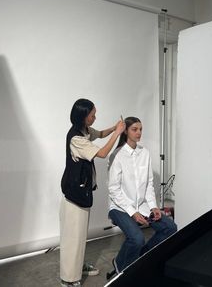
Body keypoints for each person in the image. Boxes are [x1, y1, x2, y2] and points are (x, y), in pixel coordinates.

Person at [60, 98, 125, 287]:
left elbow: (100, 134)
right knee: (73, 238)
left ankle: (77, 266)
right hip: (74, 196)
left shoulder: (85, 131)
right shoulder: (76, 138)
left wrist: (113, 128)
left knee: (79, 236)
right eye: (92, 115)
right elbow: (103, 153)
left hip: (82, 192)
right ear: (82, 117)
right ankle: (68, 280)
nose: (95, 118)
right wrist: (118, 133)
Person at [107, 116, 177, 275]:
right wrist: (133, 212)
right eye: (134, 129)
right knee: (137, 238)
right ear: (125, 131)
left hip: (143, 206)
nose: (139, 133)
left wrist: (153, 206)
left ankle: (141, 258)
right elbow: (114, 190)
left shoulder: (144, 153)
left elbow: (149, 184)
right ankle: (122, 267)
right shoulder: (116, 155)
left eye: (140, 129)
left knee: (170, 227)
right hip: (120, 208)